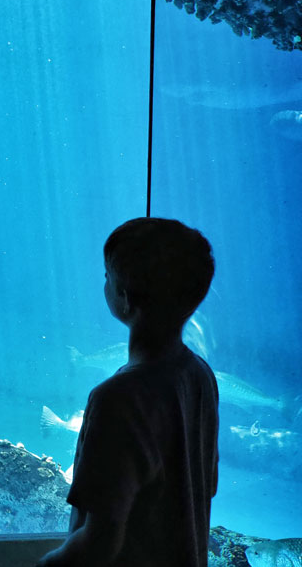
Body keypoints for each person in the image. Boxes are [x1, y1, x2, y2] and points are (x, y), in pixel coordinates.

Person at [37, 217, 219, 567]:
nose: (103, 282)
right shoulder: (200, 376)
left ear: (123, 295)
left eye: (107, 274)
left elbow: (101, 539)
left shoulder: (117, 398)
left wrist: (47, 565)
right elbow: (204, 488)